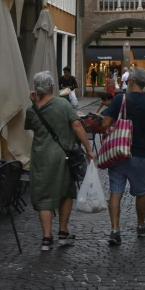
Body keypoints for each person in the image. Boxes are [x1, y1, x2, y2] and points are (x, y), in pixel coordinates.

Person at [24, 70, 94, 251]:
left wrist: (34, 102)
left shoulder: (31, 111)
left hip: (41, 157)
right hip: (64, 157)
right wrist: (88, 149)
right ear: (52, 87)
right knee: (66, 193)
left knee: (43, 195)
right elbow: (77, 125)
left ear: (36, 89)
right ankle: (63, 233)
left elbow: (31, 124)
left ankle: (47, 238)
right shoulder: (63, 105)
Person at [102, 67, 145, 246]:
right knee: (141, 191)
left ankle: (115, 230)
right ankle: (140, 226)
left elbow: (106, 123)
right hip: (139, 153)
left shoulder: (119, 99)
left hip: (118, 152)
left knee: (115, 191)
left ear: (131, 82)